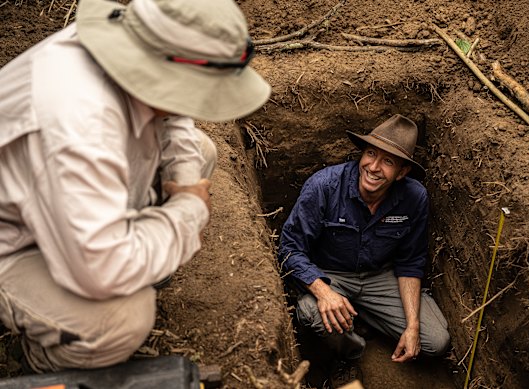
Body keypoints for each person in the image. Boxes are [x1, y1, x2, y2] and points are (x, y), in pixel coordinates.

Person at [0, 0, 270, 373]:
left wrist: (187, 188)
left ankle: (142, 255)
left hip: (61, 200)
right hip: (15, 241)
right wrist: (188, 213)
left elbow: (176, 114)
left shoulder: (135, 47)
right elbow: (102, 270)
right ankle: (39, 360)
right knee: (121, 319)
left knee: (199, 152)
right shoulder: (79, 124)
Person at [278, 114, 450, 384]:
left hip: (380, 277)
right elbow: (290, 247)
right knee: (312, 312)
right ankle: (351, 350)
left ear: (402, 172)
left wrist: (413, 326)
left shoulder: (414, 198)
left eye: (388, 161)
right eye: (371, 154)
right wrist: (324, 292)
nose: (374, 166)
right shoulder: (324, 186)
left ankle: (363, 317)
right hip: (330, 274)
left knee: (434, 342)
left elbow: (411, 261)